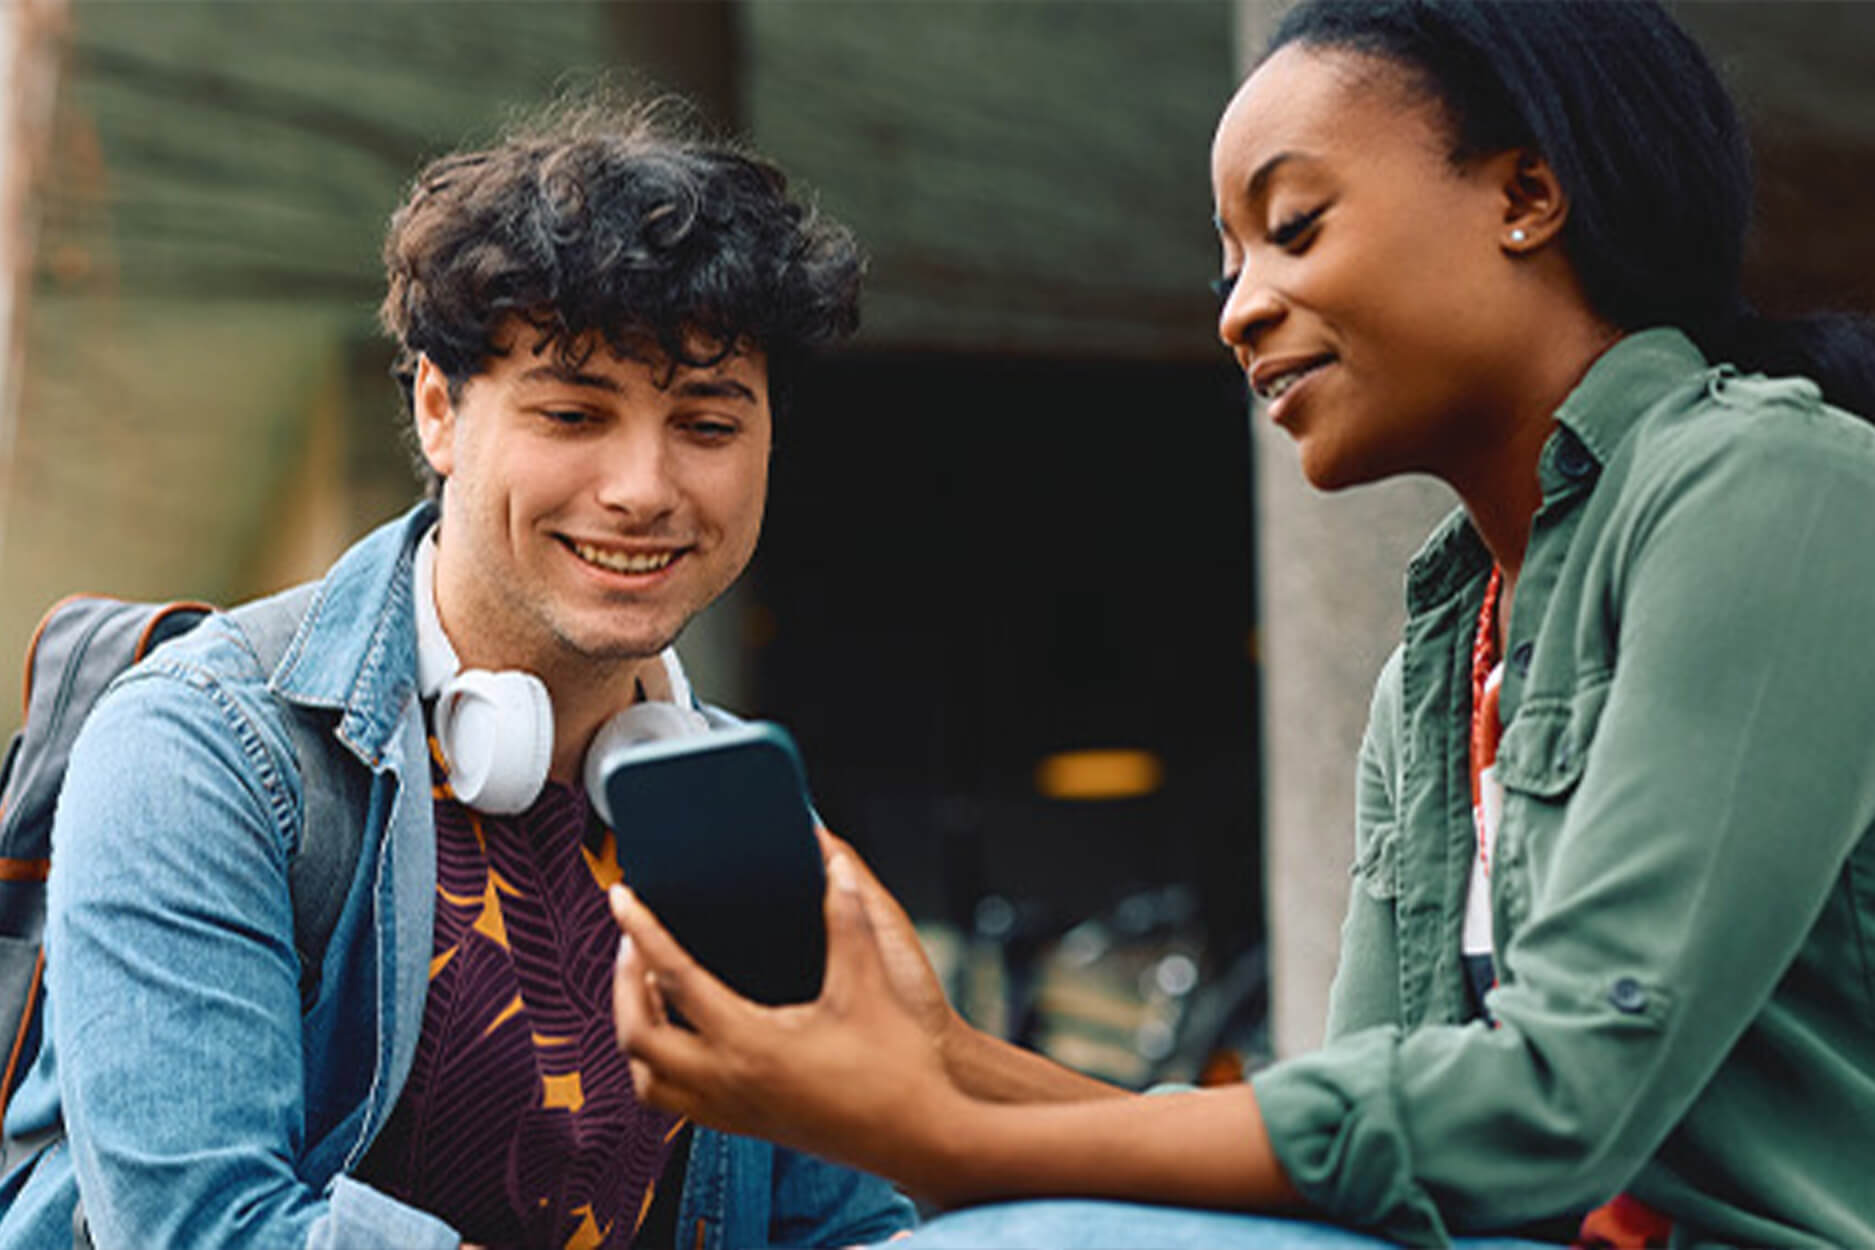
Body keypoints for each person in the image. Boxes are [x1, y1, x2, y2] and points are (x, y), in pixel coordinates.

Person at [609, 2, 1875, 1246]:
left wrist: (946, 1137)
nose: (1239, 311)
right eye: (1230, 268)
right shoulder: (1445, 661)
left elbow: (1560, 1099)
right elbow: (1377, 1146)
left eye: (1294, 228)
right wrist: (948, 1058)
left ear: (1526, 194)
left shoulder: (1771, 487)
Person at [0, 101, 917, 1250]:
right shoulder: (199, 753)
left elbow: (849, 1224)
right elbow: (206, 1227)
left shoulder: (742, 810)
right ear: (438, 407)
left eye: (707, 424)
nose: (644, 486)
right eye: (575, 413)